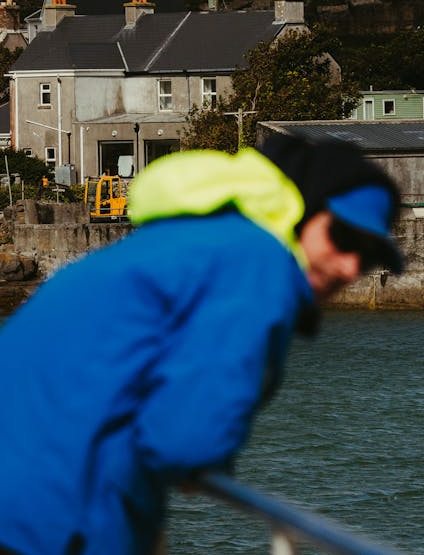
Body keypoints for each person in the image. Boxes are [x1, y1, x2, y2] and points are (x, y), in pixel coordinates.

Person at [0, 134, 403, 555]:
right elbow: (184, 439)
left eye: (371, 256)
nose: (351, 266)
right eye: (344, 237)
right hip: (48, 517)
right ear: (301, 212)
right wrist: (206, 456)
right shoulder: (256, 260)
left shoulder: (199, 238)